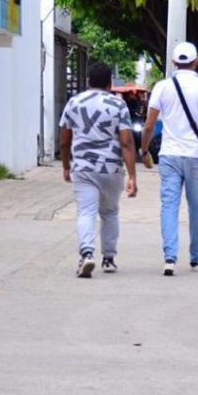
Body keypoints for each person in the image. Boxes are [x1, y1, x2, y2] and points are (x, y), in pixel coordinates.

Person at [141, 42, 198, 276]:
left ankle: (169, 258)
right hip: (196, 157)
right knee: (196, 206)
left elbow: (149, 125)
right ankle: (196, 257)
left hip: (169, 155)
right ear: (196, 62)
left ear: (173, 63)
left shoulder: (162, 87)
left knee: (169, 205)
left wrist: (144, 150)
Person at [60, 63, 138, 278]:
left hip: (83, 167)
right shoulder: (118, 105)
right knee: (110, 212)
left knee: (86, 212)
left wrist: (66, 165)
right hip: (111, 167)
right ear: (109, 84)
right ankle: (109, 259)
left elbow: (65, 141)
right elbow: (126, 142)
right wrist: (132, 175)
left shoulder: (74, 103)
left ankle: (86, 254)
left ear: (88, 82)